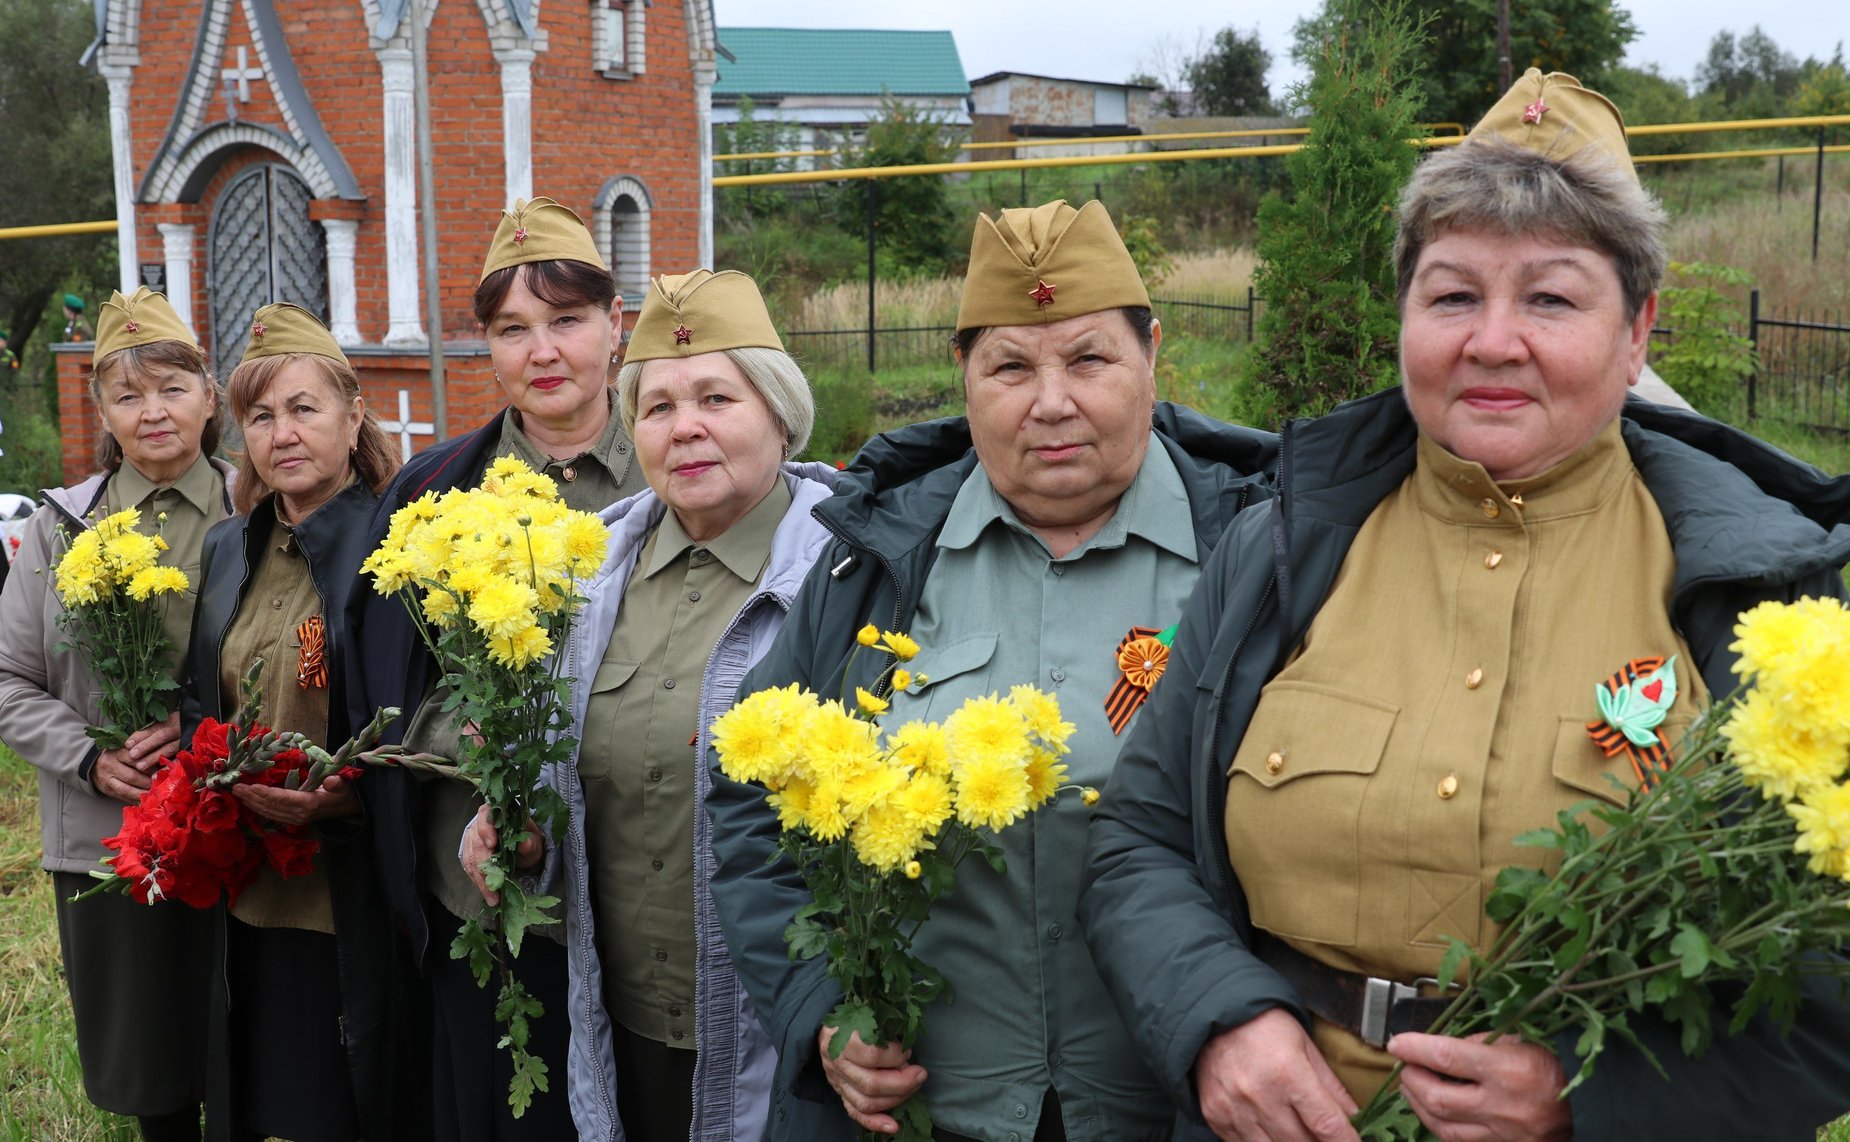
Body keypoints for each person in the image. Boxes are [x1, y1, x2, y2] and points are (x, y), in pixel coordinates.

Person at [1081, 70, 1850, 1142]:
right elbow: (1138, 839)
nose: (1492, 340)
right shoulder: (1280, 550)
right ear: (1403, 315)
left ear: (1637, 332)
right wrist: (1217, 1020)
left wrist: (1592, 1096)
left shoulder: (1766, 599)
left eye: (1550, 298)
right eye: (1451, 296)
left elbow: (1825, 990)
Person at [707, 199, 1277, 1141]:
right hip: (930, 1113)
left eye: (1089, 360)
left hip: (1181, 1106)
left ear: (1151, 355)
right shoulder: (877, 559)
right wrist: (821, 1011)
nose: (1051, 402)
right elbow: (750, 798)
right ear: (964, 376)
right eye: (1011, 367)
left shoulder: (1260, 551)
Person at [459, 268, 846, 1141]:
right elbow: (574, 787)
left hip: (792, 1040)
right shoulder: (584, 581)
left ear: (781, 415)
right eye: (659, 406)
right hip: (627, 1029)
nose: (686, 427)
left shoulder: (848, 573)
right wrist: (523, 843)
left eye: (717, 398)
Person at [346, 195, 649, 1140]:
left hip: (640, 899)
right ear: (487, 345)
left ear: (616, 325)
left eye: (567, 320)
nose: (543, 351)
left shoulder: (677, 475)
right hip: (483, 903)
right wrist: (480, 742)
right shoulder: (434, 491)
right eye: (514, 329)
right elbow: (387, 681)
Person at [0, 287, 232, 1142]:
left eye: (172, 387)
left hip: (237, 821)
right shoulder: (62, 528)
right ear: (102, 410)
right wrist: (90, 758)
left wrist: (211, 734)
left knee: (244, 1047)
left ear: (209, 394)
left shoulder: (259, 512)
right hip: (108, 835)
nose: (154, 411)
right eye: (128, 395)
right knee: (149, 1065)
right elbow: (8, 677)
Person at [183, 303, 408, 1141]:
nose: (282, 434)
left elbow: (423, 715)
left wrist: (351, 797)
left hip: (344, 898)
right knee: (255, 1099)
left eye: (304, 408)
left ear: (354, 414)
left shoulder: (397, 547)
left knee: (343, 1108)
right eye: (260, 416)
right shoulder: (228, 547)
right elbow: (201, 699)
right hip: (244, 892)